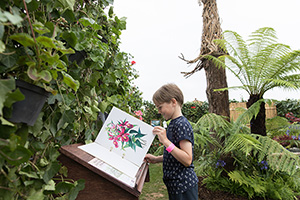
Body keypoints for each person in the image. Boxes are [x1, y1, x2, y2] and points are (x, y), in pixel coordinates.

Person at [144, 83, 198, 200]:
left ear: (173, 102)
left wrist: (166, 141)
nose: (159, 111)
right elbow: (174, 153)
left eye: (160, 107)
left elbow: (187, 159)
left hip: (183, 186)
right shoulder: (173, 124)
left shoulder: (182, 125)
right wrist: (156, 159)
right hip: (176, 186)